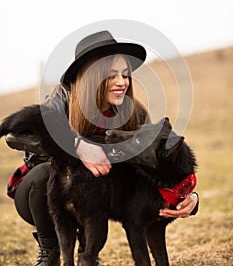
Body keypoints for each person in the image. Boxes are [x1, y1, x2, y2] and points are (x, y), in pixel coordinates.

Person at [5, 31, 198, 266]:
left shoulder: (134, 113)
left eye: (125, 75)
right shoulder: (62, 99)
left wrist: (189, 196)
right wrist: (76, 146)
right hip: (42, 191)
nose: (122, 82)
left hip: (94, 194)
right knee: (47, 173)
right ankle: (50, 251)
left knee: (100, 181)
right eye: (111, 75)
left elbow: (160, 160)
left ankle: (88, 254)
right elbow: (15, 136)